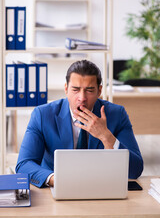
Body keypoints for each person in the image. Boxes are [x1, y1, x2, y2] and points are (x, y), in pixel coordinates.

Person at [16, 60, 143, 188]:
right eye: (75, 90)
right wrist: (57, 179)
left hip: (101, 187)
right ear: (66, 89)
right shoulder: (42, 115)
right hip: (58, 189)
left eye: (89, 90)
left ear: (99, 91)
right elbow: (24, 164)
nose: (82, 98)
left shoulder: (117, 114)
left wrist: (106, 137)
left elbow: (135, 170)